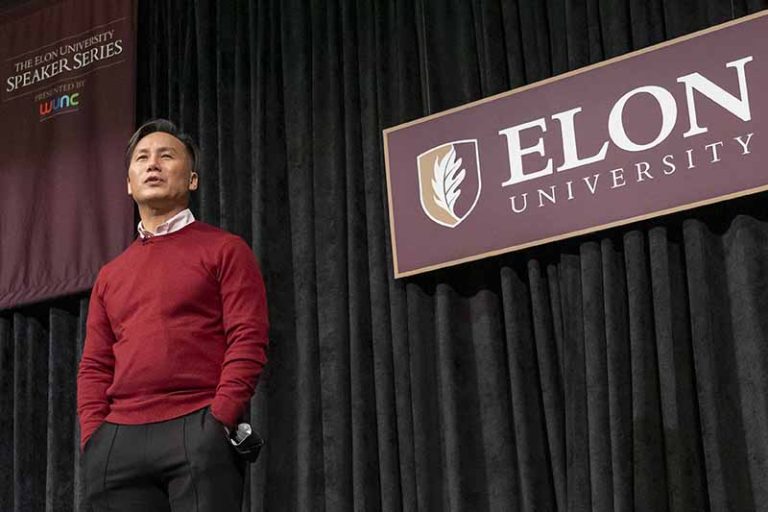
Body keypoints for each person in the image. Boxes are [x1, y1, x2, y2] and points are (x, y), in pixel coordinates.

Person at [77, 119, 269, 511]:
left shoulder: (226, 250)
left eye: (167, 156)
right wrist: (94, 436)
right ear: (129, 184)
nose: (153, 164)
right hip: (116, 442)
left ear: (193, 180)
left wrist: (220, 418)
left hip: (198, 426)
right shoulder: (111, 275)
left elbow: (248, 337)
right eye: (142, 158)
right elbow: (95, 363)